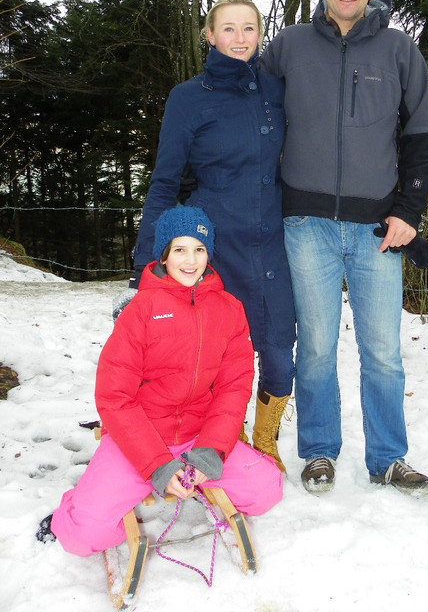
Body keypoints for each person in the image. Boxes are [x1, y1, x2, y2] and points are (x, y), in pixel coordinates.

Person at [260, 0, 428, 496]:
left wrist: (410, 211)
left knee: (382, 351)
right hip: (305, 225)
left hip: (377, 230)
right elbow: (253, 117)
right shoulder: (288, 46)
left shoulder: (399, 50)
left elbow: (421, 136)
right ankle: (318, 452)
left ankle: (388, 458)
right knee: (315, 347)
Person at [37, 205, 283, 554]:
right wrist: (156, 464)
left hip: (198, 435)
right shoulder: (141, 310)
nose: (190, 260)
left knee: (267, 491)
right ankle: (76, 506)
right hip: (139, 440)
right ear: (164, 256)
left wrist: (211, 449)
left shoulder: (229, 309)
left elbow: (234, 386)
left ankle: (196, 474)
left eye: (199, 249)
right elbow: (114, 396)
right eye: (179, 249)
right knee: (84, 536)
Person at [127, 0, 296, 471]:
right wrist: (147, 262)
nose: (239, 39)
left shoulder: (277, 89)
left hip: (274, 242)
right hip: (216, 249)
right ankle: (227, 438)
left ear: (260, 33)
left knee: (279, 347)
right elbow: (166, 181)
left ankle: (266, 439)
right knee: (219, 355)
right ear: (209, 35)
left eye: (249, 28)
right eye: (228, 29)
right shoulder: (188, 97)